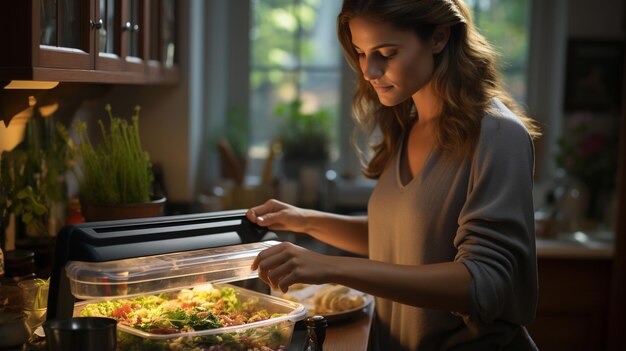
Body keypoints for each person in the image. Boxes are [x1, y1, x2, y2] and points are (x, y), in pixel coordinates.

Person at [246, 0, 541, 350]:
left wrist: (329, 267)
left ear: (438, 38)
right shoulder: (406, 125)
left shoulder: (497, 134)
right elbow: (404, 242)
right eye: (360, 51)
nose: (369, 70)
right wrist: (304, 220)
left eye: (386, 53)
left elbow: (484, 282)